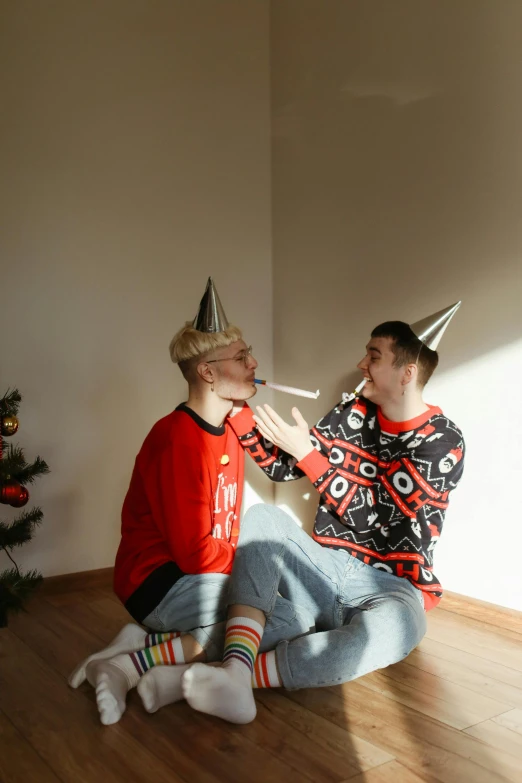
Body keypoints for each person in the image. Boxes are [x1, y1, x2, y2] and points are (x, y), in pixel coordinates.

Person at [146, 303, 466, 724]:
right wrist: (238, 411)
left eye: (373, 356)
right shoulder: (352, 413)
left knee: (394, 633)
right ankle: (235, 670)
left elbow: (372, 517)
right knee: (262, 521)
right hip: (325, 568)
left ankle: (230, 678)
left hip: (392, 588)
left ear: (407, 374)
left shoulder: (441, 442)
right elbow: (286, 466)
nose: (360, 364)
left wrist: (308, 454)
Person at [68, 278, 313, 725]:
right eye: (242, 357)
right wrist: (251, 571)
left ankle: (145, 656)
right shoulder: (178, 438)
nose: (255, 363)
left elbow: (281, 474)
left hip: (196, 575)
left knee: (275, 609)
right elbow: (194, 552)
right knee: (287, 618)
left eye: (249, 353)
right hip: (159, 580)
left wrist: (305, 449)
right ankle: (128, 663)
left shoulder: (233, 424)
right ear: (208, 373)